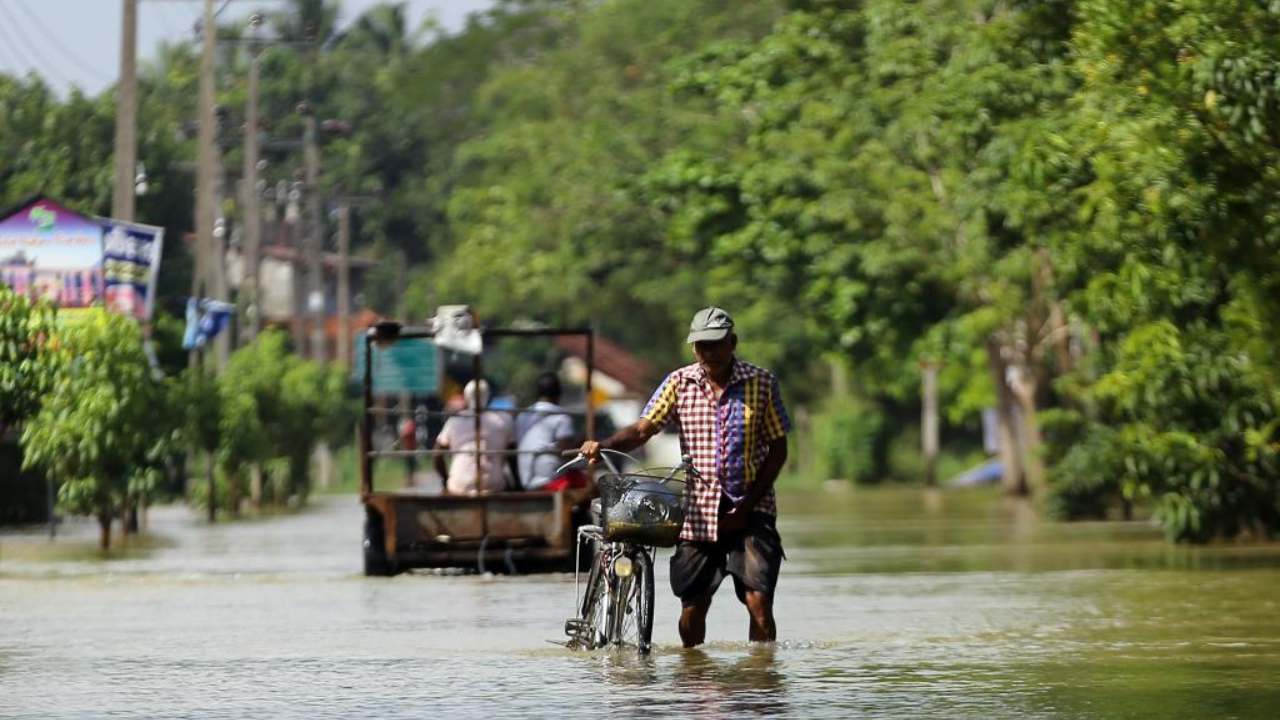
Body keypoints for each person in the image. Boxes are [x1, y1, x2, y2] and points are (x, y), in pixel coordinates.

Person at [579, 307, 791, 647]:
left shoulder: (761, 383)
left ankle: (760, 685)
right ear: (694, 349)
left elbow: (779, 448)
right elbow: (643, 428)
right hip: (699, 514)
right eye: (702, 346)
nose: (709, 353)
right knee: (694, 606)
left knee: (759, 603)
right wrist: (604, 444)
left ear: (732, 343)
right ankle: (693, 676)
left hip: (752, 511)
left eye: (716, 345)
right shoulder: (680, 382)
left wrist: (748, 505)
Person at [434, 379, 515, 494]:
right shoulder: (503, 420)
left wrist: (445, 480)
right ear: (488, 397)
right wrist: (518, 485)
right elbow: (512, 456)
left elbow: (437, 455)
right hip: (494, 486)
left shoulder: (454, 421)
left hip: (459, 486)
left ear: (466, 398)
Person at [515, 372, 580, 491]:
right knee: (586, 481)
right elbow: (565, 451)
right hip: (550, 479)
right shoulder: (561, 416)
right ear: (559, 393)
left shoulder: (522, 415)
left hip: (525, 480)